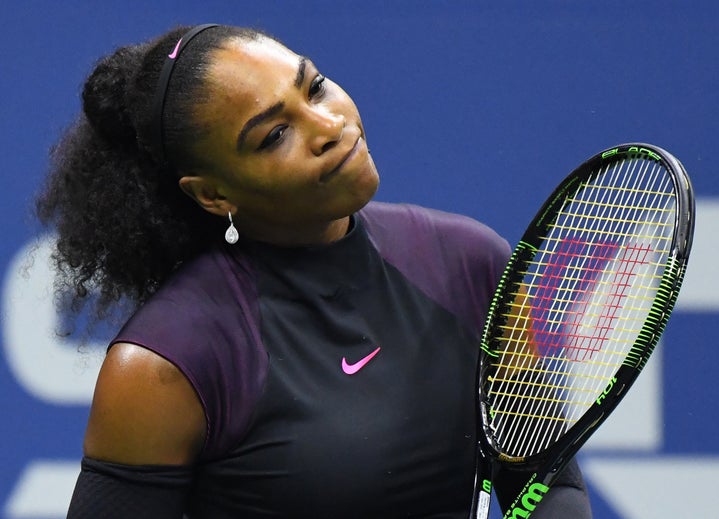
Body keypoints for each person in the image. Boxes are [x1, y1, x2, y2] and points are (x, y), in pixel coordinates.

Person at [36, 23, 592, 518]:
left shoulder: (471, 264)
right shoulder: (165, 365)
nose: (329, 125)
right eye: (274, 135)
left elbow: (543, 487)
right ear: (213, 194)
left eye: (314, 85)